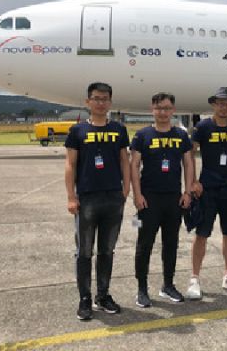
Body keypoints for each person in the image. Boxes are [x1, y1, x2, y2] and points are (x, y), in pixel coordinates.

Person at [64, 82, 130, 321]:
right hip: (87, 198)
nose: (100, 103)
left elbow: (124, 160)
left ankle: (103, 295)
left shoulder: (119, 129)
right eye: (96, 98)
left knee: (107, 251)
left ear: (110, 102)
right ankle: (84, 298)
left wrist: (126, 188)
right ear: (88, 102)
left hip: (113, 197)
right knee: (84, 252)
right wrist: (71, 197)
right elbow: (70, 164)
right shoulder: (77, 131)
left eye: (105, 99)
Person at [186, 87, 227, 299]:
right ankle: (194, 278)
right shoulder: (202, 127)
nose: (224, 107)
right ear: (213, 105)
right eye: (220, 103)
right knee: (202, 233)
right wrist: (193, 181)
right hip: (207, 187)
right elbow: (190, 154)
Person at [130, 92, 193, 308]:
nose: (163, 112)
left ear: (173, 110)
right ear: (152, 110)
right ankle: (142, 289)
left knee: (171, 244)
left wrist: (187, 192)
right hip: (149, 200)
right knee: (144, 244)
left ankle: (168, 285)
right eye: (158, 108)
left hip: (173, 199)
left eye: (166, 108)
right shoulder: (142, 135)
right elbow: (134, 166)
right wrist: (137, 195)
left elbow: (188, 164)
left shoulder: (181, 135)